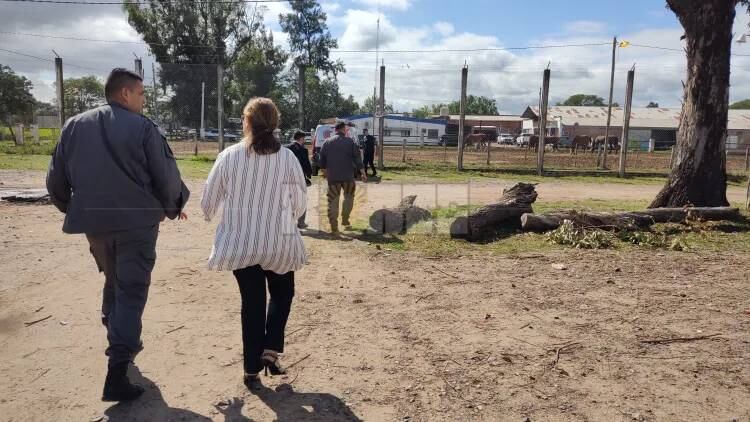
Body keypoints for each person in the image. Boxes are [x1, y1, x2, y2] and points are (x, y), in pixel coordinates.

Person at [46, 68, 189, 402]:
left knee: (113, 280)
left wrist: (74, 208)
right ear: (125, 93)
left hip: (94, 224)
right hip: (137, 224)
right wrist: (173, 205)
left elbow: (55, 179)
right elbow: (166, 176)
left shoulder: (73, 126)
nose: (143, 100)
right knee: (131, 289)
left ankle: (114, 329)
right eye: (141, 94)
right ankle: (118, 369)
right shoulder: (143, 128)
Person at [201, 97, 307, 390]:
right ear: (275, 124)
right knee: (283, 293)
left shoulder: (229, 156)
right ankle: (270, 351)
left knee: (252, 303)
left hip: (241, 242)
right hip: (279, 242)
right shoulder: (288, 158)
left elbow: (208, 205)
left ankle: (250, 368)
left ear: (246, 122)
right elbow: (299, 205)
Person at [319, 121, 366, 233]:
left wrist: (325, 173)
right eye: (346, 129)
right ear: (343, 129)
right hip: (348, 177)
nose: (347, 130)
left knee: (333, 201)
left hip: (333, 177)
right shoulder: (350, 142)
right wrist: (363, 173)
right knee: (349, 199)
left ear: (335, 130)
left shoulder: (327, 142)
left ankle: (334, 226)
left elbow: (322, 161)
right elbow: (358, 159)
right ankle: (345, 219)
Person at [286, 130, 312, 229]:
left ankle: (289, 222)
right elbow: (306, 165)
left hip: (287, 178)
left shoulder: (287, 148)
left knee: (288, 200)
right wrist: (309, 174)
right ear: (301, 138)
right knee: (302, 200)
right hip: (299, 178)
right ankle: (301, 222)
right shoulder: (303, 150)